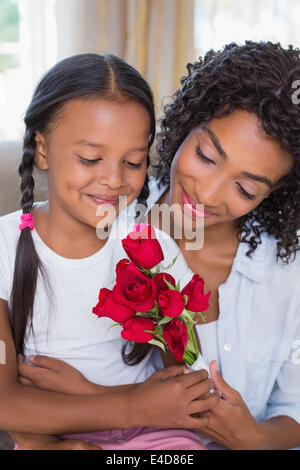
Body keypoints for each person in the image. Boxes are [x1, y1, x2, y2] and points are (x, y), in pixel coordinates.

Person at [16, 41, 300, 450]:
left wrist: (252, 437)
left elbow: (293, 409)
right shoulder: (91, 225)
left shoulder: (285, 272)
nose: (208, 192)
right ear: (186, 125)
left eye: (245, 187)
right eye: (205, 156)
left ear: (278, 190)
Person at [0, 53, 218, 450]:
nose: (115, 180)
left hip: (157, 435)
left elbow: (187, 383)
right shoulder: (5, 246)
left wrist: (93, 394)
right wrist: (132, 406)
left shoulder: (152, 247)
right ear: (42, 149)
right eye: (90, 159)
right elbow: (5, 403)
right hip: (54, 432)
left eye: (133, 162)